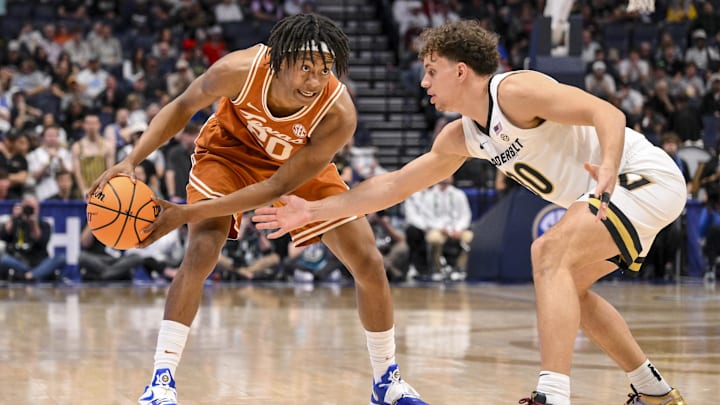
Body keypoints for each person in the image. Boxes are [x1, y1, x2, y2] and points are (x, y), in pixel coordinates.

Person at [252, 20, 688, 405]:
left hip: (640, 177)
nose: (424, 82)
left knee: (547, 253)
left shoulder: (515, 91)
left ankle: (552, 394)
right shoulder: (461, 137)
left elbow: (605, 112)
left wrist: (608, 167)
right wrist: (313, 210)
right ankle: (653, 390)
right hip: (615, 196)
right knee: (569, 290)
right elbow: (392, 186)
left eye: (431, 70)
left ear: (461, 71)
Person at [90, 13, 426, 405]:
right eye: (305, 68)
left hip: (291, 166)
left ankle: (386, 380)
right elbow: (183, 107)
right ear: (279, 61)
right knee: (201, 251)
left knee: (368, 261)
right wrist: (133, 159)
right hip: (228, 154)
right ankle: (161, 382)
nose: (315, 81)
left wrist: (182, 213)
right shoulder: (239, 69)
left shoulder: (338, 114)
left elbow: (277, 186)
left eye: (325, 70)